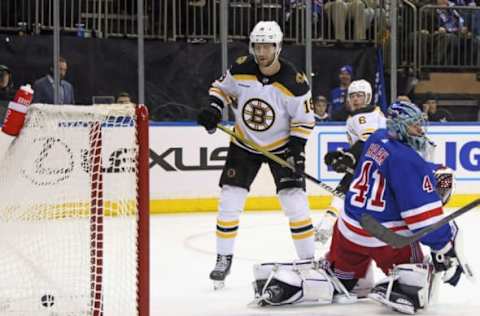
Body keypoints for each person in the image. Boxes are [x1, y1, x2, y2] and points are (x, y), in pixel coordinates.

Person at [250, 101, 466, 315]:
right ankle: (400, 287)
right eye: (414, 125)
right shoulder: (409, 162)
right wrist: (445, 247)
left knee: (339, 280)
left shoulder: (377, 138)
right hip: (386, 240)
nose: (420, 130)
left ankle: (296, 283)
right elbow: (423, 220)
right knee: (420, 278)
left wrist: (346, 157)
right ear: (400, 126)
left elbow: (383, 166)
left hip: (349, 231)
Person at [197, 20, 316, 289]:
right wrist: (214, 110)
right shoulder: (241, 68)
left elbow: (305, 121)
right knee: (230, 199)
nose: (261, 52)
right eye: (257, 46)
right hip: (244, 143)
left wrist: (296, 152)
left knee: (295, 202)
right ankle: (223, 258)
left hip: (282, 147)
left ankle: (309, 262)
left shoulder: (294, 82)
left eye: (267, 46)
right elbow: (221, 89)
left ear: (278, 47)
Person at [314, 79, 386, 243]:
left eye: (360, 95)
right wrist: (343, 154)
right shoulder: (367, 114)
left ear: (367, 96)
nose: (355, 99)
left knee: (343, 191)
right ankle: (329, 226)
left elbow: (367, 141)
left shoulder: (364, 116)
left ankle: (327, 226)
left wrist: (349, 158)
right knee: (346, 192)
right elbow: (364, 144)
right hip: (373, 160)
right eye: (352, 95)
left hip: (374, 163)